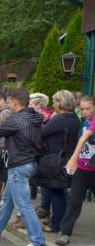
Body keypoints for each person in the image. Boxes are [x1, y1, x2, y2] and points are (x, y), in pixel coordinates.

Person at [0, 88, 47, 246]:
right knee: (8, 199)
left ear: (15, 102)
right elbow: (10, 131)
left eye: (9, 102)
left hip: (19, 165)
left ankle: (37, 242)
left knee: (24, 204)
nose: (7, 105)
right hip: (28, 163)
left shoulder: (15, 119)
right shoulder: (34, 117)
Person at [37, 90, 79, 235]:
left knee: (56, 191)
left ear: (61, 102)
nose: (53, 104)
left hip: (56, 160)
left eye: (54, 101)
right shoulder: (74, 118)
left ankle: (56, 224)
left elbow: (42, 134)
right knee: (62, 192)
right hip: (68, 158)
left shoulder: (60, 119)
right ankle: (60, 221)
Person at [57, 96, 95, 246]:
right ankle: (65, 232)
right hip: (82, 169)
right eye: (82, 109)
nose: (84, 112)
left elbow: (84, 138)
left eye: (88, 109)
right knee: (74, 201)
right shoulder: (83, 122)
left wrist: (73, 158)